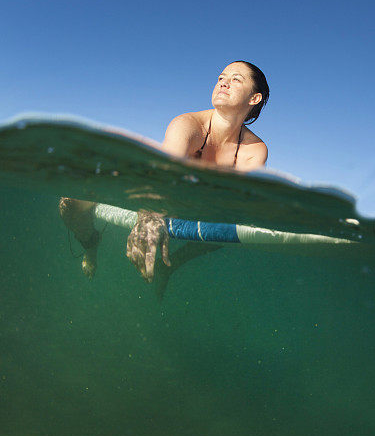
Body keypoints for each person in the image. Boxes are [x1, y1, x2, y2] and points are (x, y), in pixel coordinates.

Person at [60, 61, 269, 284]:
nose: (223, 83)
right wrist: (149, 215)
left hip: (198, 204)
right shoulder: (188, 125)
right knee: (69, 202)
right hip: (153, 189)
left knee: (226, 224)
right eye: (220, 78)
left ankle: (173, 264)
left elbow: (240, 204)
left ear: (253, 98)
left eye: (235, 79)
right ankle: (91, 244)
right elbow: (162, 178)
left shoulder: (254, 149)